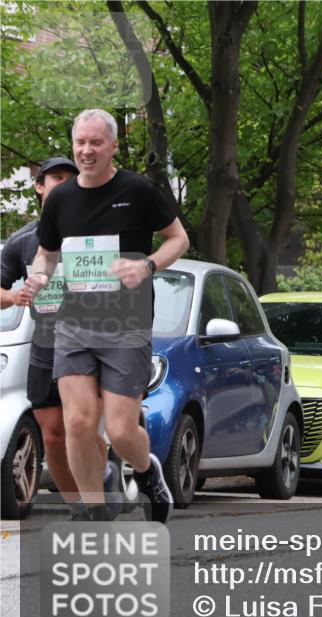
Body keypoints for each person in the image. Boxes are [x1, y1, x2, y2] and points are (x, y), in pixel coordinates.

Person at [23, 109, 189, 523]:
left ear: (113, 146)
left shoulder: (138, 190)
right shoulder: (60, 199)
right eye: (80, 142)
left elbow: (178, 238)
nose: (86, 150)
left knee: (119, 430)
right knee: (78, 423)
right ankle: (94, 515)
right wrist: (39, 277)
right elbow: (46, 254)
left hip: (126, 326)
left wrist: (147, 265)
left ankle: (147, 472)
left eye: (96, 142)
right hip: (74, 325)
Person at [1, 157, 123, 519]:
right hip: (45, 344)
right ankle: (79, 506)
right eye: (56, 177)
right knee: (53, 433)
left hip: (89, 343)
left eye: (72, 177)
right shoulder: (22, 241)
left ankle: (100, 486)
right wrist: (14, 297)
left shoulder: (96, 233)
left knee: (81, 425)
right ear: (39, 187)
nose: (65, 183)